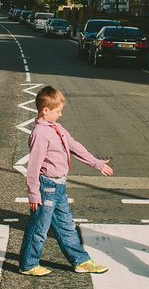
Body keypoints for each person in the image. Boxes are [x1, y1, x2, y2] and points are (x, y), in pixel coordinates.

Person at [19, 85, 114, 276]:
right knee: (39, 228)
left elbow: (74, 146)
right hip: (47, 188)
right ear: (45, 110)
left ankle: (81, 261)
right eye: (58, 111)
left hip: (59, 186)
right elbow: (33, 167)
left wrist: (96, 163)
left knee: (67, 226)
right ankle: (28, 264)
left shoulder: (57, 127)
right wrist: (33, 193)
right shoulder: (40, 134)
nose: (60, 114)